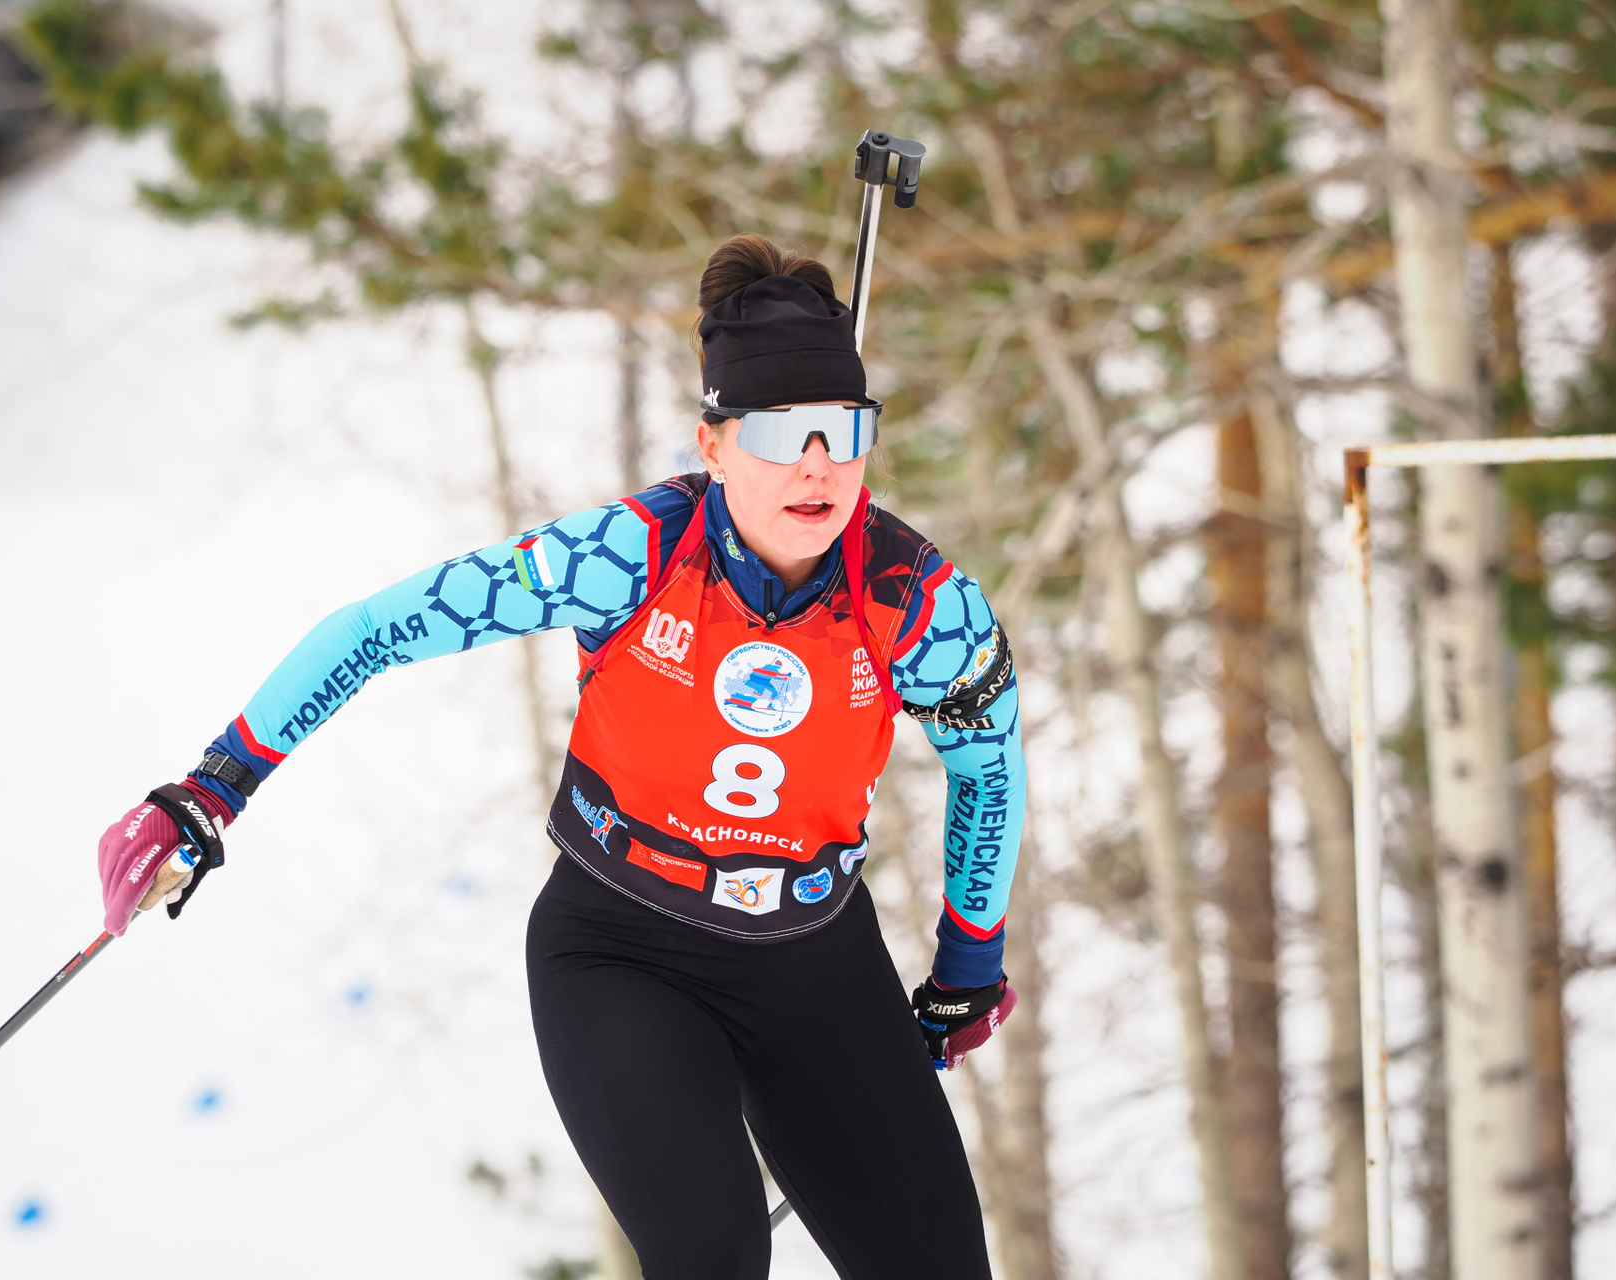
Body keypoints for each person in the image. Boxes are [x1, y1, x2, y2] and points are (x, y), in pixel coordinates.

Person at [98, 233, 1025, 1279]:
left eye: (842, 429)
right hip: (624, 950)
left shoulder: (918, 602)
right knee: (713, 1252)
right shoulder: (631, 554)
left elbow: (989, 765)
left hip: (814, 956)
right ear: (713, 444)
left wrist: (970, 961)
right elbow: (377, 628)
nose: (816, 465)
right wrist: (211, 788)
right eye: (776, 431)